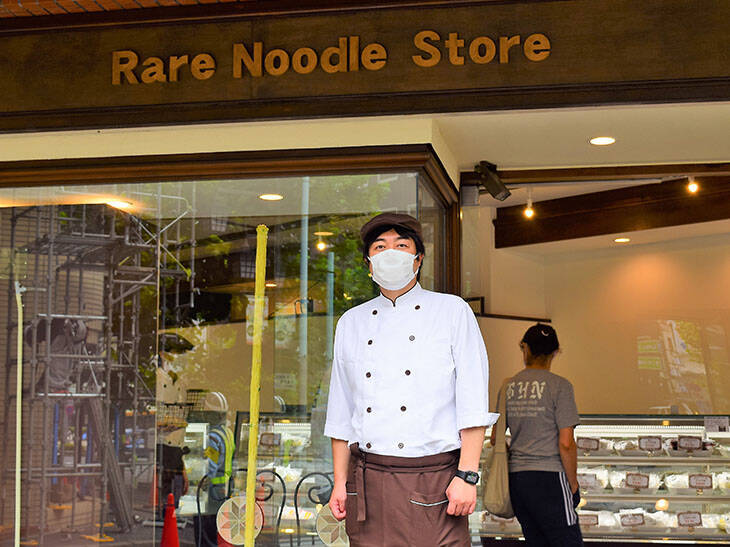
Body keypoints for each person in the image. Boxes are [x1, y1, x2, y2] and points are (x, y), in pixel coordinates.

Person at [325, 212, 497, 546]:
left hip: (434, 479)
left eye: (401, 245)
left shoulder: (452, 311)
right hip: (367, 482)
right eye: (380, 247)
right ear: (368, 264)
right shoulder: (351, 322)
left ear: (418, 259)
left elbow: (473, 402)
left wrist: (467, 475)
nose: (390, 253)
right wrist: (340, 481)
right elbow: (341, 411)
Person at [490, 324, 583, 546]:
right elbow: (566, 443)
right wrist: (573, 484)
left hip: (518, 481)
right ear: (555, 352)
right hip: (550, 478)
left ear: (525, 348)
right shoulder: (560, 386)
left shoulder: (508, 387)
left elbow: (495, 438)